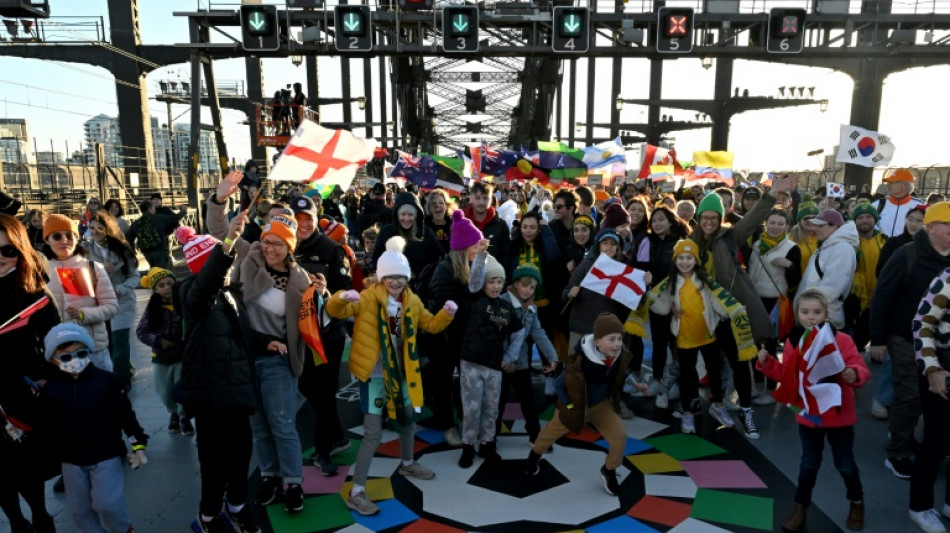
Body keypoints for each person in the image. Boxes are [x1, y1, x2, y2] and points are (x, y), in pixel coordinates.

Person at [327, 236, 456, 516]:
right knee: (373, 434)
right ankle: (356, 492)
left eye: (400, 277)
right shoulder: (366, 297)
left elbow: (431, 325)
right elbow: (335, 310)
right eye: (390, 277)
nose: (395, 282)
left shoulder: (412, 301)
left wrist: (446, 314)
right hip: (373, 376)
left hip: (400, 375)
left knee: (408, 421)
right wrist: (341, 297)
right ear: (381, 277)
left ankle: (407, 464)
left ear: (407, 277)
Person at [206, 176, 311, 513]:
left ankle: (292, 481)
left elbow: (311, 323)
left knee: (282, 424)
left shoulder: (301, 280)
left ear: (289, 248)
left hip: (279, 361)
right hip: (246, 357)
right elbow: (220, 233)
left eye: (278, 244)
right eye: (267, 242)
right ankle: (268, 475)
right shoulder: (250, 257)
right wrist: (219, 201)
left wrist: (321, 298)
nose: (270, 249)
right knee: (258, 426)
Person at [689, 175, 795, 439]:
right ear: (699, 218)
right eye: (705, 217)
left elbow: (752, 219)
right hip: (702, 314)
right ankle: (717, 404)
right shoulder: (689, 243)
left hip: (729, 313)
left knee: (740, 363)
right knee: (712, 364)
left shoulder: (729, 237)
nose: (709, 221)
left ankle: (746, 411)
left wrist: (772, 194)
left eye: (714, 217)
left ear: (721, 218)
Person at [756, 287, 868, 532]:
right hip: (810, 416)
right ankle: (800, 507)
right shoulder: (794, 341)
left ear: (826, 313)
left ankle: (857, 503)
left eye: (817, 312)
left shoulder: (842, 340)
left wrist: (854, 373)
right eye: (805, 312)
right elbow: (787, 376)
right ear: (797, 314)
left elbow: (858, 366)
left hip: (839, 416)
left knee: (845, 464)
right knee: (808, 464)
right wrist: (767, 363)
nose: (811, 317)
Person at [174, 219, 261, 533]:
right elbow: (206, 284)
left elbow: (240, 335)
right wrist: (227, 244)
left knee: (241, 454)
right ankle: (208, 517)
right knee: (214, 461)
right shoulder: (194, 294)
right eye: (222, 260)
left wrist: (267, 342)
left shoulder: (229, 294)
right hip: (210, 394)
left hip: (235, 390)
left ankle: (236, 506)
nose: (230, 265)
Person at [37, 323, 149, 533]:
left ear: (89, 351)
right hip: (71, 459)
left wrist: (138, 444)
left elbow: (126, 415)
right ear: (54, 359)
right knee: (80, 512)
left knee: (108, 504)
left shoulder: (107, 381)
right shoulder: (51, 390)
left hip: (106, 454)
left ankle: (123, 529)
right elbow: (45, 425)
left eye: (81, 353)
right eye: (66, 357)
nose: (75, 360)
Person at [870, 202, 950, 482]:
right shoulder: (907, 254)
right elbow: (882, 295)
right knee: (910, 394)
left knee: (938, 395)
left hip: (942, 342)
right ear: (931, 228)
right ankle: (899, 452)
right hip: (904, 336)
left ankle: (933, 443)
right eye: (948, 225)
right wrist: (877, 339)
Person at [524, 313, 632, 497]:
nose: (617, 344)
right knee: (549, 434)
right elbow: (559, 384)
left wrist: (636, 384)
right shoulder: (580, 362)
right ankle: (534, 456)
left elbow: (623, 372)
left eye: (619, 339)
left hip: (600, 405)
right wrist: (569, 406)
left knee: (620, 436)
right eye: (612, 339)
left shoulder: (618, 357)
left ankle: (609, 470)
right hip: (576, 405)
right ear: (597, 342)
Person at [0, 214, 60, 533]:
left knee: (24, 466)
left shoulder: (34, 294)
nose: (0, 257)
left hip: (21, 393)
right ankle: (15, 522)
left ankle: (40, 515)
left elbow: (57, 342)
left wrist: (45, 376)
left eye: (8, 250)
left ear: (21, 250)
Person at [650, 239, 745, 435]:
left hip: (707, 336)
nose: (685, 262)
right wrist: (649, 293)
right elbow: (661, 307)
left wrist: (733, 311)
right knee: (687, 376)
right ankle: (687, 412)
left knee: (714, 372)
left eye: (689, 258)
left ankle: (718, 405)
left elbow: (717, 303)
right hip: (684, 338)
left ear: (696, 260)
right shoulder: (670, 283)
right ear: (675, 261)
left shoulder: (706, 281)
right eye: (681, 258)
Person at [424, 212, 488, 446]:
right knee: (443, 383)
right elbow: (445, 308)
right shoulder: (444, 271)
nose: (478, 250)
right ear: (463, 248)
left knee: (468, 383)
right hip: (444, 339)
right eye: (475, 246)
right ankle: (448, 425)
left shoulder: (473, 266)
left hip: (465, 338)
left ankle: (466, 421)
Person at [457, 253, 526, 468]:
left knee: (491, 409)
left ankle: (487, 444)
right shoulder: (475, 298)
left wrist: (510, 356)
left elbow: (519, 332)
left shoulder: (507, 308)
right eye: (491, 281)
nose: (496, 286)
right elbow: (474, 279)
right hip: (471, 364)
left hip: (495, 367)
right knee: (471, 409)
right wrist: (479, 257)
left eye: (500, 282)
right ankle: (468, 446)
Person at [870, 204, 926, 420]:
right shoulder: (895, 244)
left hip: (924, 316)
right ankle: (883, 398)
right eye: (911, 219)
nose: (914, 224)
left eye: (919, 221)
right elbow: (882, 276)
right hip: (898, 312)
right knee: (894, 360)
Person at [43, 214, 118, 373]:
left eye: (69, 235)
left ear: (77, 238)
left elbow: (111, 307)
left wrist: (83, 314)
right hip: (58, 353)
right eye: (57, 236)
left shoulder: (93, 268)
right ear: (47, 240)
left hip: (93, 349)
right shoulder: (39, 272)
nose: (64, 240)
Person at [497, 264, 559, 446]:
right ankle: (489, 438)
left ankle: (535, 436)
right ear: (516, 284)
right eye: (524, 285)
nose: (528, 290)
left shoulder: (532, 308)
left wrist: (552, 356)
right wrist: (507, 359)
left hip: (521, 363)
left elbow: (539, 333)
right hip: (501, 362)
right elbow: (499, 336)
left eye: (532, 287)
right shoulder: (501, 302)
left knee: (528, 401)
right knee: (497, 402)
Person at [910, 265, 950, 533]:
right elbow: (922, 323)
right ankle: (920, 506)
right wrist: (932, 370)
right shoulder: (948, 277)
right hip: (942, 367)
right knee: (938, 440)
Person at [83, 212, 140, 390]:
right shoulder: (85, 249)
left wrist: (120, 288)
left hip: (122, 302)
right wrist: (99, 269)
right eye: (92, 228)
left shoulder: (122, 250)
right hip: (100, 302)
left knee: (120, 340)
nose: (95, 232)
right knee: (109, 343)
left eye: (99, 228)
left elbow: (135, 276)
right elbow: (80, 276)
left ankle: (122, 383)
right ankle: (125, 367)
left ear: (108, 229)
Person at [137, 267, 191, 436]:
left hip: (181, 357)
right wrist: (158, 341)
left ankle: (184, 417)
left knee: (182, 389)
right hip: (160, 358)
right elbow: (141, 332)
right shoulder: (152, 309)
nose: (167, 287)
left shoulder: (183, 304)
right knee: (165, 393)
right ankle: (173, 413)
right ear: (155, 289)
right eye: (161, 285)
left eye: (169, 283)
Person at [796, 209, 859, 331]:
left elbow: (832, 289)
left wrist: (808, 310)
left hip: (826, 319)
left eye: (820, 226)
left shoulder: (842, 249)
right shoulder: (827, 246)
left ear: (834, 226)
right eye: (815, 225)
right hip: (815, 317)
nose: (816, 229)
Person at [371, 191, 443, 282]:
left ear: (416, 216)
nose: (406, 219)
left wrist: (423, 275)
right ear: (397, 215)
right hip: (392, 284)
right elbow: (376, 259)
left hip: (419, 285)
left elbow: (438, 258)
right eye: (403, 214)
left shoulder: (426, 233)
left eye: (411, 215)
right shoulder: (387, 232)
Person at [850, 200, 887, 350]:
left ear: (875, 219)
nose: (864, 220)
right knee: (856, 346)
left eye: (868, 216)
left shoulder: (885, 241)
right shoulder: (849, 242)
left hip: (880, 302)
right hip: (858, 302)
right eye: (860, 217)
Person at [127, 199, 184, 270]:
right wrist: (184, 211)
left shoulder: (136, 223)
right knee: (165, 271)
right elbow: (174, 218)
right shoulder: (158, 218)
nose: (155, 210)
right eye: (153, 208)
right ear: (150, 209)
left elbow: (128, 238)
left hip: (147, 253)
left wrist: (133, 250)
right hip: (161, 250)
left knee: (154, 270)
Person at [464, 182, 511, 267]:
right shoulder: (461, 224)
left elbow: (506, 257)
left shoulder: (501, 225)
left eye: (485, 198)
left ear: (491, 200)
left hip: (493, 273)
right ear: (471, 198)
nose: (481, 202)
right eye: (477, 198)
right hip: (465, 273)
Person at [877, 168, 926, 238]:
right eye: (888, 182)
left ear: (905, 186)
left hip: (909, 245)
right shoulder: (877, 204)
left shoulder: (921, 206)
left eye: (892, 182)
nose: (888, 185)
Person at [790, 198, 821, 276]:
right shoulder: (791, 239)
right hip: (798, 281)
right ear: (800, 220)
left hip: (818, 281)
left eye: (814, 218)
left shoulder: (823, 237)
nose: (810, 221)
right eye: (806, 218)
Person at [425, 188, 454, 255]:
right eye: (434, 203)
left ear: (446, 206)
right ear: (429, 207)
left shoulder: (453, 226)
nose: (437, 206)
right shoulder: (424, 226)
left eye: (441, 203)